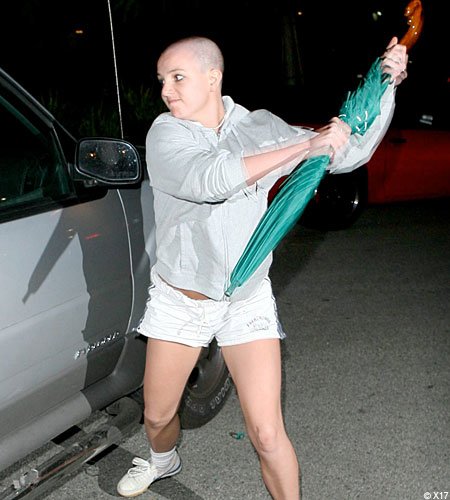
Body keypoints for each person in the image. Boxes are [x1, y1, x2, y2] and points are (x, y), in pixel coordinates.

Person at [117, 36, 407, 499]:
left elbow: (348, 152)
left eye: (177, 78)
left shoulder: (260, 127)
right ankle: (162, 460)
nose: (166, 90)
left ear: (213, 78)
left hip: (245, 298)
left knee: (268, 433)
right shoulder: (165, 134)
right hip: (182, 302)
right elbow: (210, 179)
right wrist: (303, 146)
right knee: (157, 416)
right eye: (162, 80)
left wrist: (385, 86)